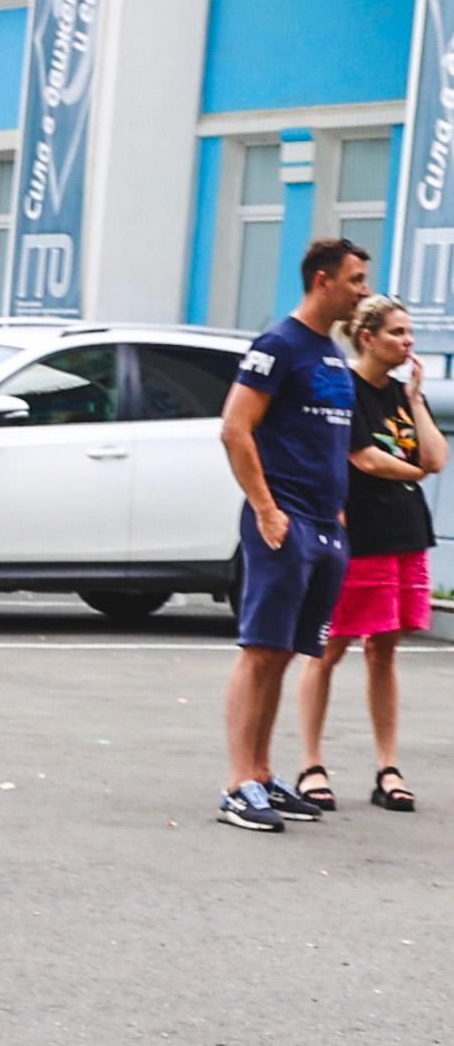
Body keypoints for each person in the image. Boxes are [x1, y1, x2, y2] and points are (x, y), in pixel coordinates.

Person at [216, 238, 370, 833]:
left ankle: (261, 772)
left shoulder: (329, 354)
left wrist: (336, 514)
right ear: (323, 280)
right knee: (260, 651)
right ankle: (237, 784)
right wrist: (266, 508)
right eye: (355, 280)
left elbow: (334, 446)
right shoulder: (279, 345)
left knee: (283, 653)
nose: (361, 292)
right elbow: (235, 429)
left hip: (323, 526)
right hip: (283, 522)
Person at [295, 294, 446, 814]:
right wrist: (417, 473)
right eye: (397, 334)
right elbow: (366, 459)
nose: (408, 343)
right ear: (367, 338)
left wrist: (418, 400)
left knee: (385, 651)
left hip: (405, 535)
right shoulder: (345, 388)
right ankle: (311, 765)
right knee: (331, 647)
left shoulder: (402, 394)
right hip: (359, 536)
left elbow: (437, 457)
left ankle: (388, 767)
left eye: (409, 334)